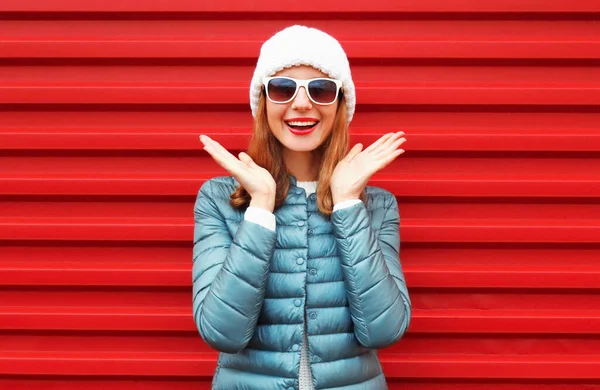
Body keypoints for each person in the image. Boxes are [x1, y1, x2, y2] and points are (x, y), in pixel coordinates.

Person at [193, 25, 411, 390]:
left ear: (341, 104)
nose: (301, 103)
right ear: (263, 102)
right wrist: (261, 210)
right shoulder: (220, 200)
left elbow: (384, 330)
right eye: (283, 88)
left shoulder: (375, 205)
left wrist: (346, 206)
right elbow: (222, 333)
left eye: (321, 89)